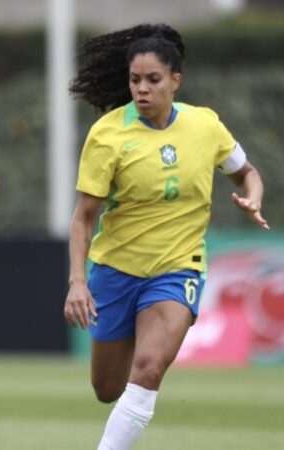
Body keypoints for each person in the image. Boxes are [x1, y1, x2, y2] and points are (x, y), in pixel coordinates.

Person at [64, 24, 267, 450]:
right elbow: (83, 218)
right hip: (115, 271)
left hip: (177, 269)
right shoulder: (108, 135)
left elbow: (246, 172)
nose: (142, 89)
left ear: (176, 81)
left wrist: (253, 198)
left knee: (150, 367)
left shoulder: (205, 126)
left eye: (153, 79)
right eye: (135, 80)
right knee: (106, 389)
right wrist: (77, 282)